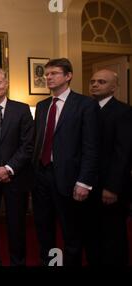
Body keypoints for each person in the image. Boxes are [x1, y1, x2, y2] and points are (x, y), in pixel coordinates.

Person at [32, 58, 99, 266]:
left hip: (69, 179)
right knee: (45, 230)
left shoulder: (85, 104)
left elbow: (91, 146)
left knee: (71, 233)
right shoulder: (43, 106)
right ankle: (52, 263)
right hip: (41, 176)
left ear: (68, 76)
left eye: (54, 73)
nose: (48, 77)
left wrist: (84, 182)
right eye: (47, 74)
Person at [0, 67, 34, 266]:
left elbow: (27, 145)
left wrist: (9, 168)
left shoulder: (22, 109)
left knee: (16, 225)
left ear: (6, 83)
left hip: (16, 177)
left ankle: (17, 261)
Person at [87, 69, 132, 265]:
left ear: (114, 87)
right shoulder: (86, 109)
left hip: (110, 187)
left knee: (113, 236)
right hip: (87, 185)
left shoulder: (123, 112)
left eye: (102, 82)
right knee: (92, 234)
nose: (95, 84)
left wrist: (112, 187)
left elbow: (123, 153)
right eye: (93, 81)